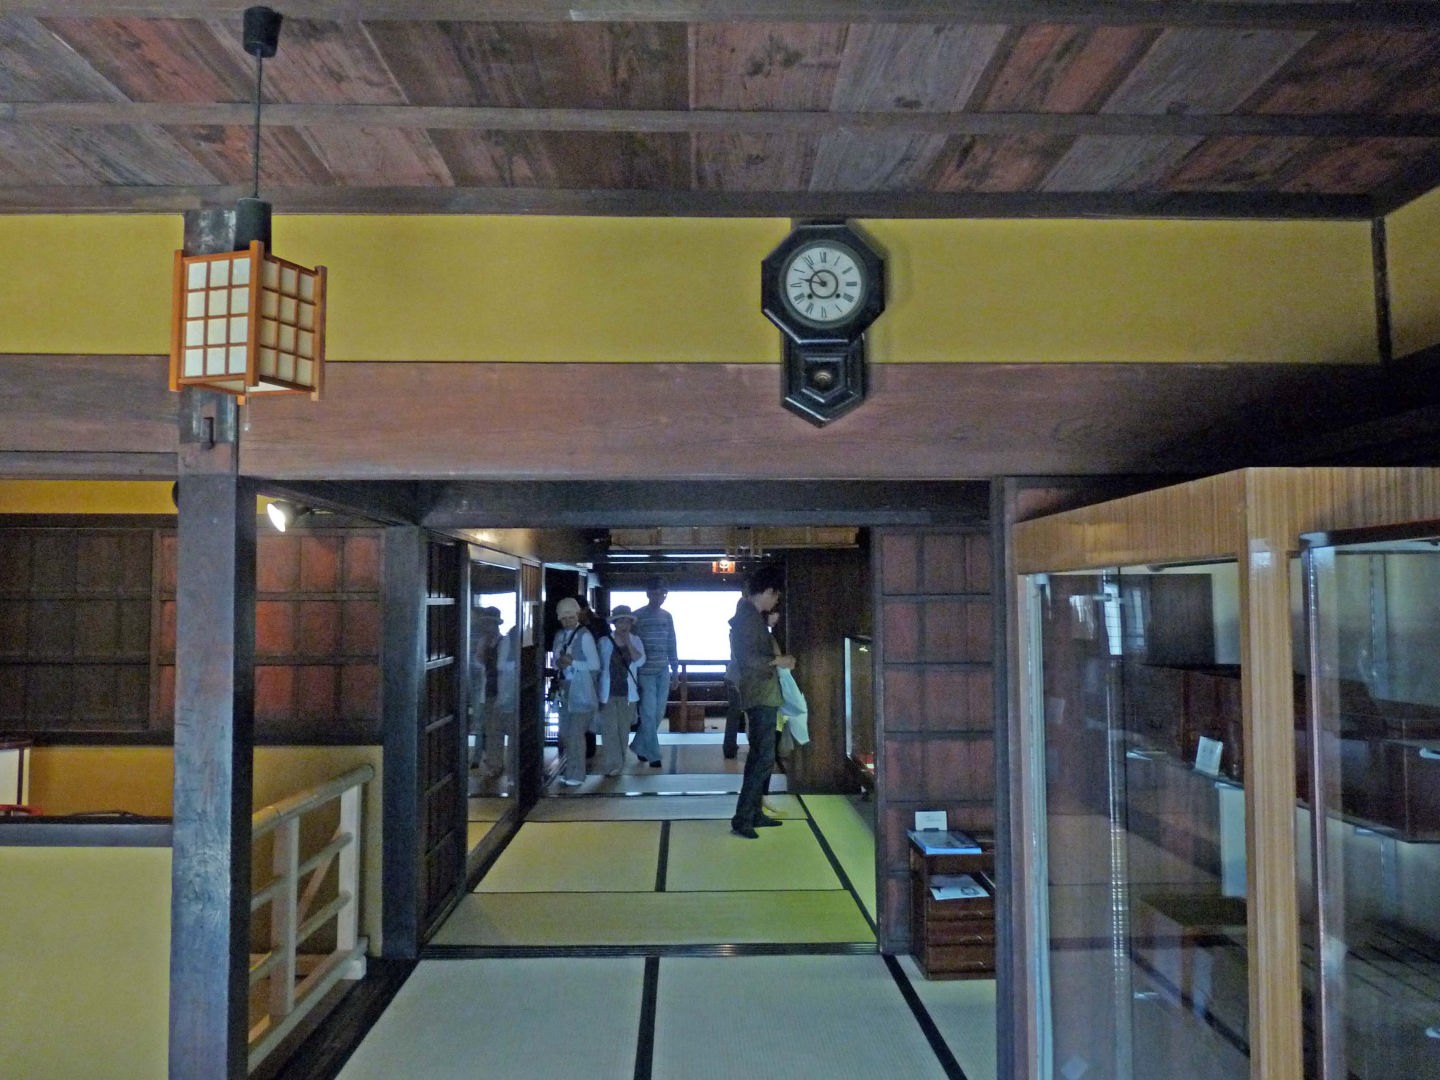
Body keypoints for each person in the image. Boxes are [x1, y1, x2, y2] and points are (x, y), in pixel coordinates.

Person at [729, 565, 794, 838]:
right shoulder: (747, 618)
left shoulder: (752, 617)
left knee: (761, 756)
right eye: (776, 596)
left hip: (761, 693)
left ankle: (753, 813)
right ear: (768, 591)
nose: (775, 602)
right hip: (759, 694)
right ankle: (743, 817)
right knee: (762, 757)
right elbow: (748, 660)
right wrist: (779, 660)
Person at [551, 596, 599, 787]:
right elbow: (555, 660)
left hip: (581, 688)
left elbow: (595, 665)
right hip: (564, 688)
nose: (567, 621)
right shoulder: (559, 636)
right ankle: (569, 769)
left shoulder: (585, 636)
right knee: (565, 732)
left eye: (571, 617)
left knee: (576, 733)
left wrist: (573, 663)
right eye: (563, 618)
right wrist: (559, 663)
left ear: (577, 615)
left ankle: (577, 774)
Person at [631, 577, 678, 769]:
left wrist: (675, 670)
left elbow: (672, 642)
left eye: (663, 593)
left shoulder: (667, 616)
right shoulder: (637, 616)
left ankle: (638, 745)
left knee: (658, 713)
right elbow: (631, 644)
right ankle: (653, 755)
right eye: (656, 593)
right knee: (648, 713)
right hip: (644, 672)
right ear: (648, 593)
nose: (660, 596)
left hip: (663, 670)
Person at [596, 605, 646, 777]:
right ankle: (613, 764)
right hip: (607, 692)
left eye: (627, 622)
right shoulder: (604, 642)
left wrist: (628, 643)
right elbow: (599, 666)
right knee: (609, 729)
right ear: (614, 623)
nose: (624, 625)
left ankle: (619, 762)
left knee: (623, 730)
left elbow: (640, 661)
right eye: (620, 621)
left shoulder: (636, 640)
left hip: (628, 693)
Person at [469, 605, 511, 780]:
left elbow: (503, 666)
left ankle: (496, 764)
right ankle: (492, 763)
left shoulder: (504, 641)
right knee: (490, 729)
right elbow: (477, 663)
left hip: (500, 689)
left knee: (497, 729)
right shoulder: (483, 641)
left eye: (490, 623)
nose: (487, 626)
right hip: (487, 689)